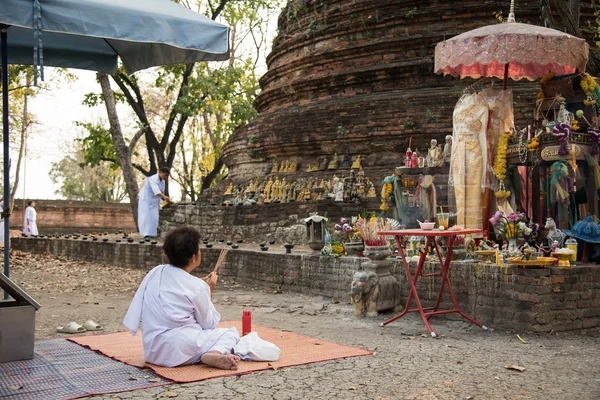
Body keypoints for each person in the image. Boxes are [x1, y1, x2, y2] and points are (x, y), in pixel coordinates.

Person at [123, 226, 240, 369]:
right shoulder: (197, 286)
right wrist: (208, 292)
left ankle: (209, 353)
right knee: (231, 333)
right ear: (193, 257)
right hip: (179, 351)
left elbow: (178, 286)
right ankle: (214, 352)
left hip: (153, 351)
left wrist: (202, 289)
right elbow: (208, 324)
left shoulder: (155, 272)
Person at [138, 167, 170, 238]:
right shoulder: (153, 179)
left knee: (154, 217)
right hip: (146, 200)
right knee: (147, 217)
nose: (166, 177)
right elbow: (156, 191)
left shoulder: (163, 181)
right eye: (165, 175)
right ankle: (146, 234)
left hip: (154, 201)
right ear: (160, 172)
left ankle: (152, 233)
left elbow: (161, 191)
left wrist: (164, 199)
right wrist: (165, 197)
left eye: (167, 176)